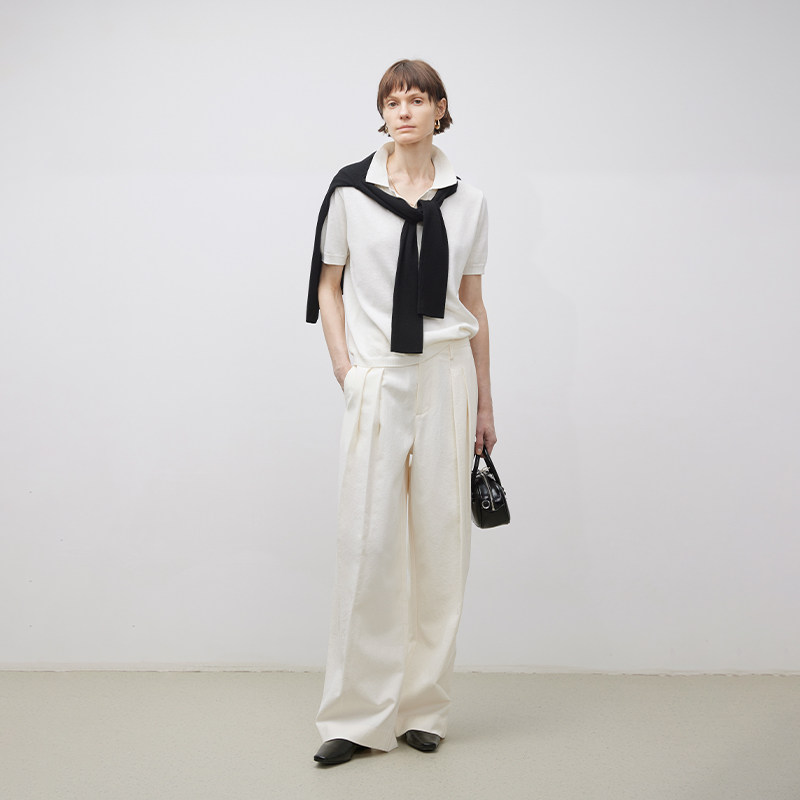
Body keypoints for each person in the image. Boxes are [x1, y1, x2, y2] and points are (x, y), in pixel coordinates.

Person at [305, 58, 497, 766]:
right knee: (368, 546)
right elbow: (328, 285)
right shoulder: (350, 192)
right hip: (379, 380)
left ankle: (423, 709)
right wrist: (345, 369)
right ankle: (356, 718)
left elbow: (473, 305)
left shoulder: (469, 200)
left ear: (440, 109)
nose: (404, 110)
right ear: (382, 113)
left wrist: (485, 401)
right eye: (393, 101)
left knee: (441, 551)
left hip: (448, 379)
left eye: (417, 99)